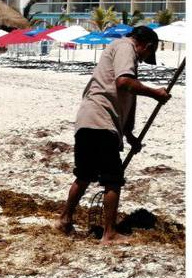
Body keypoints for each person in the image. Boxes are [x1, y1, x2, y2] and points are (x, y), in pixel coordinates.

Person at [57, 26, 171, 244]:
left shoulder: (118, 49)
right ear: (147, 46)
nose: (144, 58)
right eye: (148, 54)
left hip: (89, 120)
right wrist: (156, 93)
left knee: (84, 175)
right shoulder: (125, 47)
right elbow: (124, 83)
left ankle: (65, 220)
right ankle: (109, 233)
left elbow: (124, 96)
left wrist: (129, 135)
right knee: (112, 179)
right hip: (101, 122)